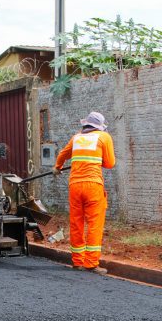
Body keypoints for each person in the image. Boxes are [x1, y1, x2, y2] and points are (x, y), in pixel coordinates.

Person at [53, 111, 116, 275]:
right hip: (93, 186)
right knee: (95, 224)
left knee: (76, 223)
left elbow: (62, 155)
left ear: (85, 125)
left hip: (75, 186)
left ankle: (78, 261)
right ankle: (91, 263)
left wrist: (57, 168)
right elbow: (110, 163)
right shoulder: (104, 137)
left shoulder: (76, 138)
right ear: (99, 127)